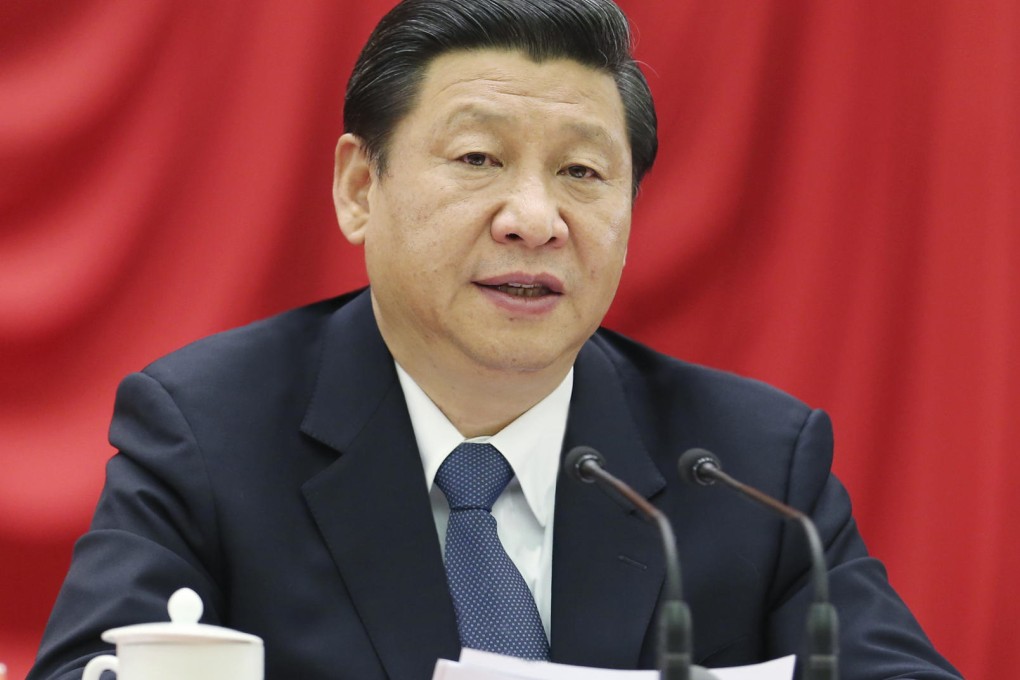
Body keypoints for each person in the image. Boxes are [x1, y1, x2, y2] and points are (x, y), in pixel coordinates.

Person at [29, 1, 960, 679]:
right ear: (361, 188)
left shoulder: (753, 464)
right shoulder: (209, 432)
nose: (535, 218)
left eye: (583, 172)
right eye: (479, 159)